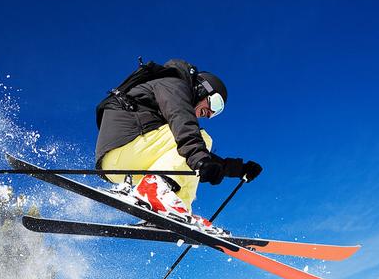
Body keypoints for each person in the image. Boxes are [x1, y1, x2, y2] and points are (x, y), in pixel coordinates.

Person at [95, 59, 262, 232]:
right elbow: (184, 128)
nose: (211, 113)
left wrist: (238, 170)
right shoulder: (174, 84)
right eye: (216, 103)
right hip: (125, 148)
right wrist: (200, 160)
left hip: (120, 164)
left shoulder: (173, 100)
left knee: (195, 157)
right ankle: (154, 191)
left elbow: (186, 156)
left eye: (217, 112)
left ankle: (177, 212)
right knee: (200, 140)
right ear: (202, 88)